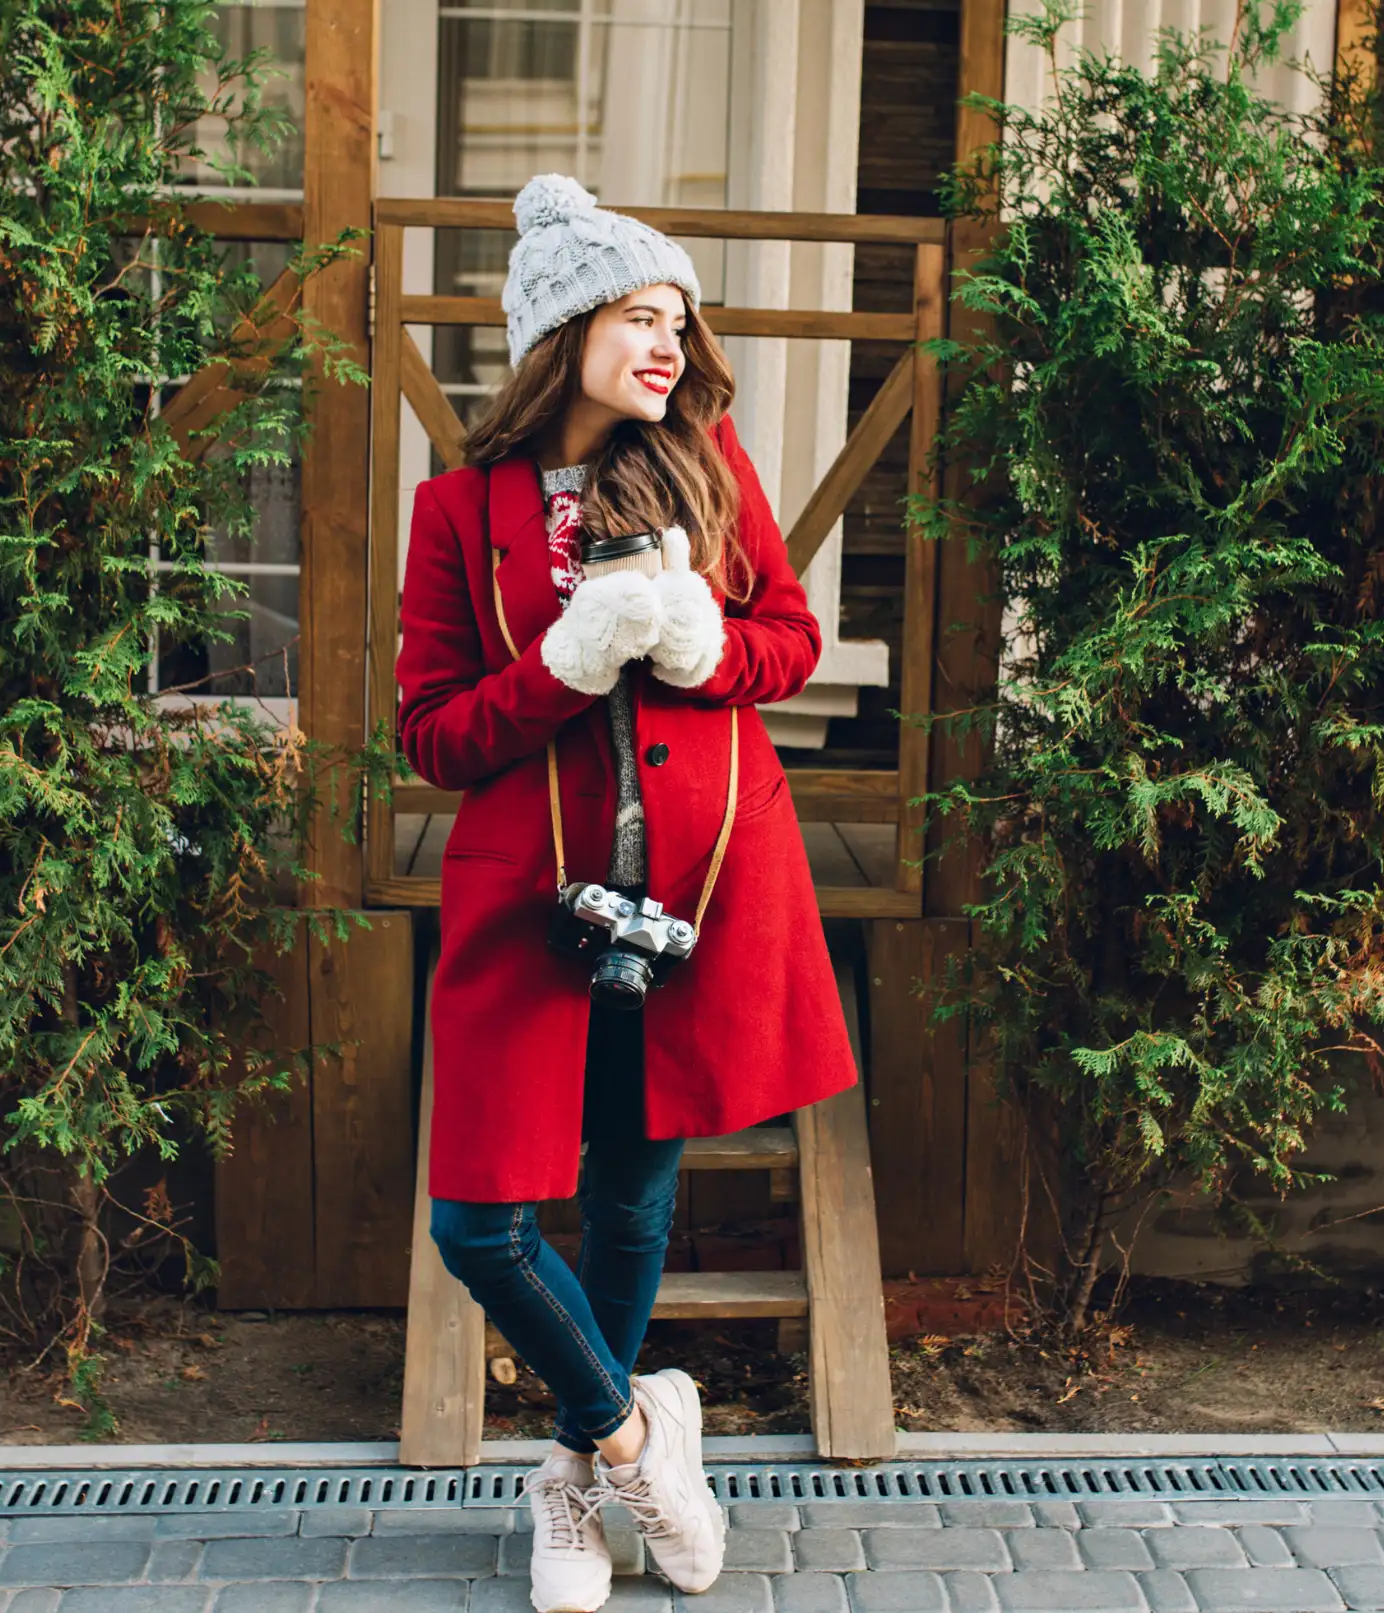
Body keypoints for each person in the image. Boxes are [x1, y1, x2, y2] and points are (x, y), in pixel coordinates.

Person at [394, 173, 860, 1612]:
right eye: (638, 314)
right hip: (533, 916)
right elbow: (430, 733)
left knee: (635, 1206)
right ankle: (635, 1434)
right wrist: (568, 663)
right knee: (479, 1224)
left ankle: (576, 1494)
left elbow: (791, 641)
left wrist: (708, 650)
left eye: (677, 318)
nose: (668, 342)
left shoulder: (711, 473)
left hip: (702, 903)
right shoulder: (460, 510)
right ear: (562, 329)